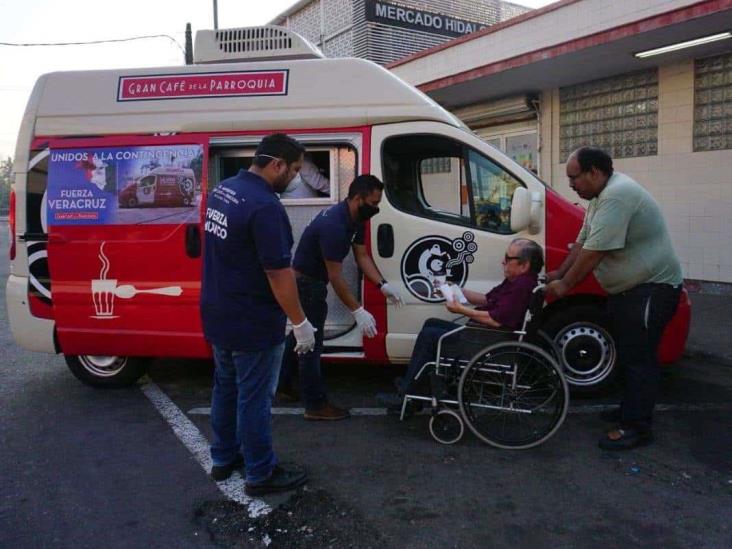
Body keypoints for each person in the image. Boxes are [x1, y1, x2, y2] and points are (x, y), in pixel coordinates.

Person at [200, 133, 317, 496]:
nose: (296, 177)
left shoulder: (224, 189)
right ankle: (260, 473)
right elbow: (278, 272)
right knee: (254, 398)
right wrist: (300, 322)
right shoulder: (265, 206)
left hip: (219, 312)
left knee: (225, 388)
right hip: (252, 320)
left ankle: (223, 460)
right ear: (277, 165)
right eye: (295, 169)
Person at [546, 147, 683, 451]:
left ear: (594, 172)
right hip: (629, 292)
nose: (571, 185)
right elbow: (583, 243)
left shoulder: (617, 196)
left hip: (651, 289)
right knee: (629, 353)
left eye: (574, 177)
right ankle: (629, 410)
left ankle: (637, 427)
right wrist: (557, 274)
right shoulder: (599, 199)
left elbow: (596, 253)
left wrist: (565, 286)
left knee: (640, 360)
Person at [278, 174, 404, 420]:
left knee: (298, 336)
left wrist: (383, 285)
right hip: (306, 284)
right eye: (374, 202)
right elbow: (336, 277)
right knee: (311, 344)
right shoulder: (334, 225)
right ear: (358, 198)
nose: (376, 208)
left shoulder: (357, 217)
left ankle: (281, 385)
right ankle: (315, 405)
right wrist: (358, 311)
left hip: (311, 281)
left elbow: (362, 256)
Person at [378, 238, 544, 412]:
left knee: (430, 336)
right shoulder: (517, 282)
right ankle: (416, 385)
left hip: (488, 342)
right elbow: (487, 299)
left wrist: (461, 309)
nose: (503, 261)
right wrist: (456, 289)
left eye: (508, 258)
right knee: (431, 324)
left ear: (524, 266)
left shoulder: (521, 287)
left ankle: (409, 395)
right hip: (487, 336)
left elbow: (495, 320)